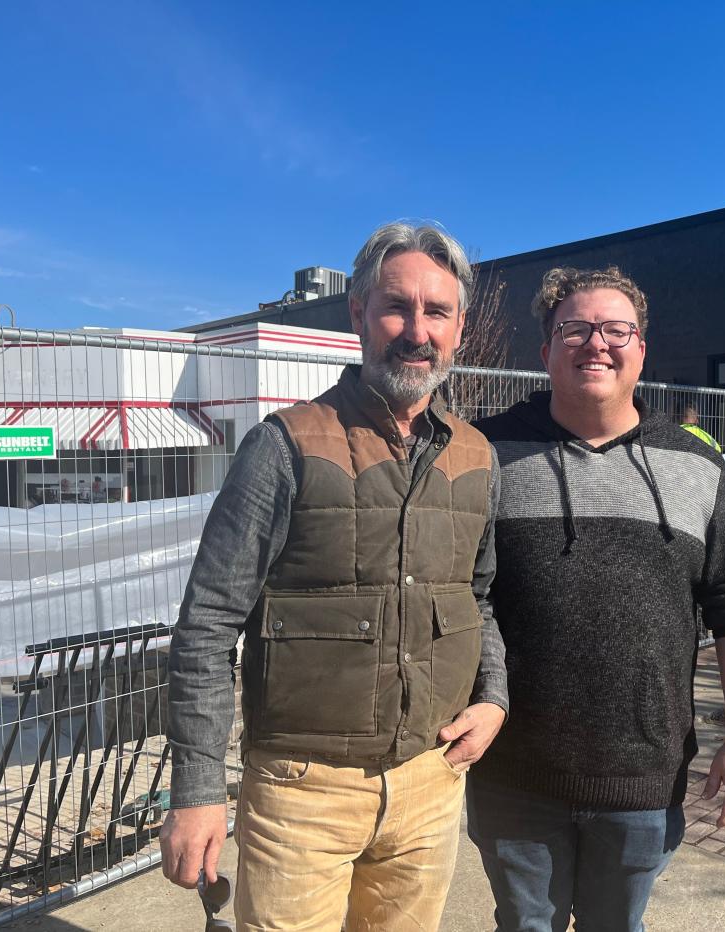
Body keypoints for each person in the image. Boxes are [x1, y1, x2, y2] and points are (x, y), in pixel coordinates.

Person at [161, 222, 508, 931]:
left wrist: (494, 697)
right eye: (396, 307)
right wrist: (197, 790)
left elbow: (481, 597)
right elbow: (206, 627)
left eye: (437, 312)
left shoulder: (477, 456)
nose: (417, 331)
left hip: (430, 782)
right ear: (357, 314)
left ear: (459, 329)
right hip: (300, 795)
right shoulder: (284, 446)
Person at [469, 266, 725, 932]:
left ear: (642, 349)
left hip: (644, 776)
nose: (595, 344)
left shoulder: (696, 464)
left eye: (616, 330)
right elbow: (461, 593)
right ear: (546, 350)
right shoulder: (484, 453)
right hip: (513, 777)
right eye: (574, 329)